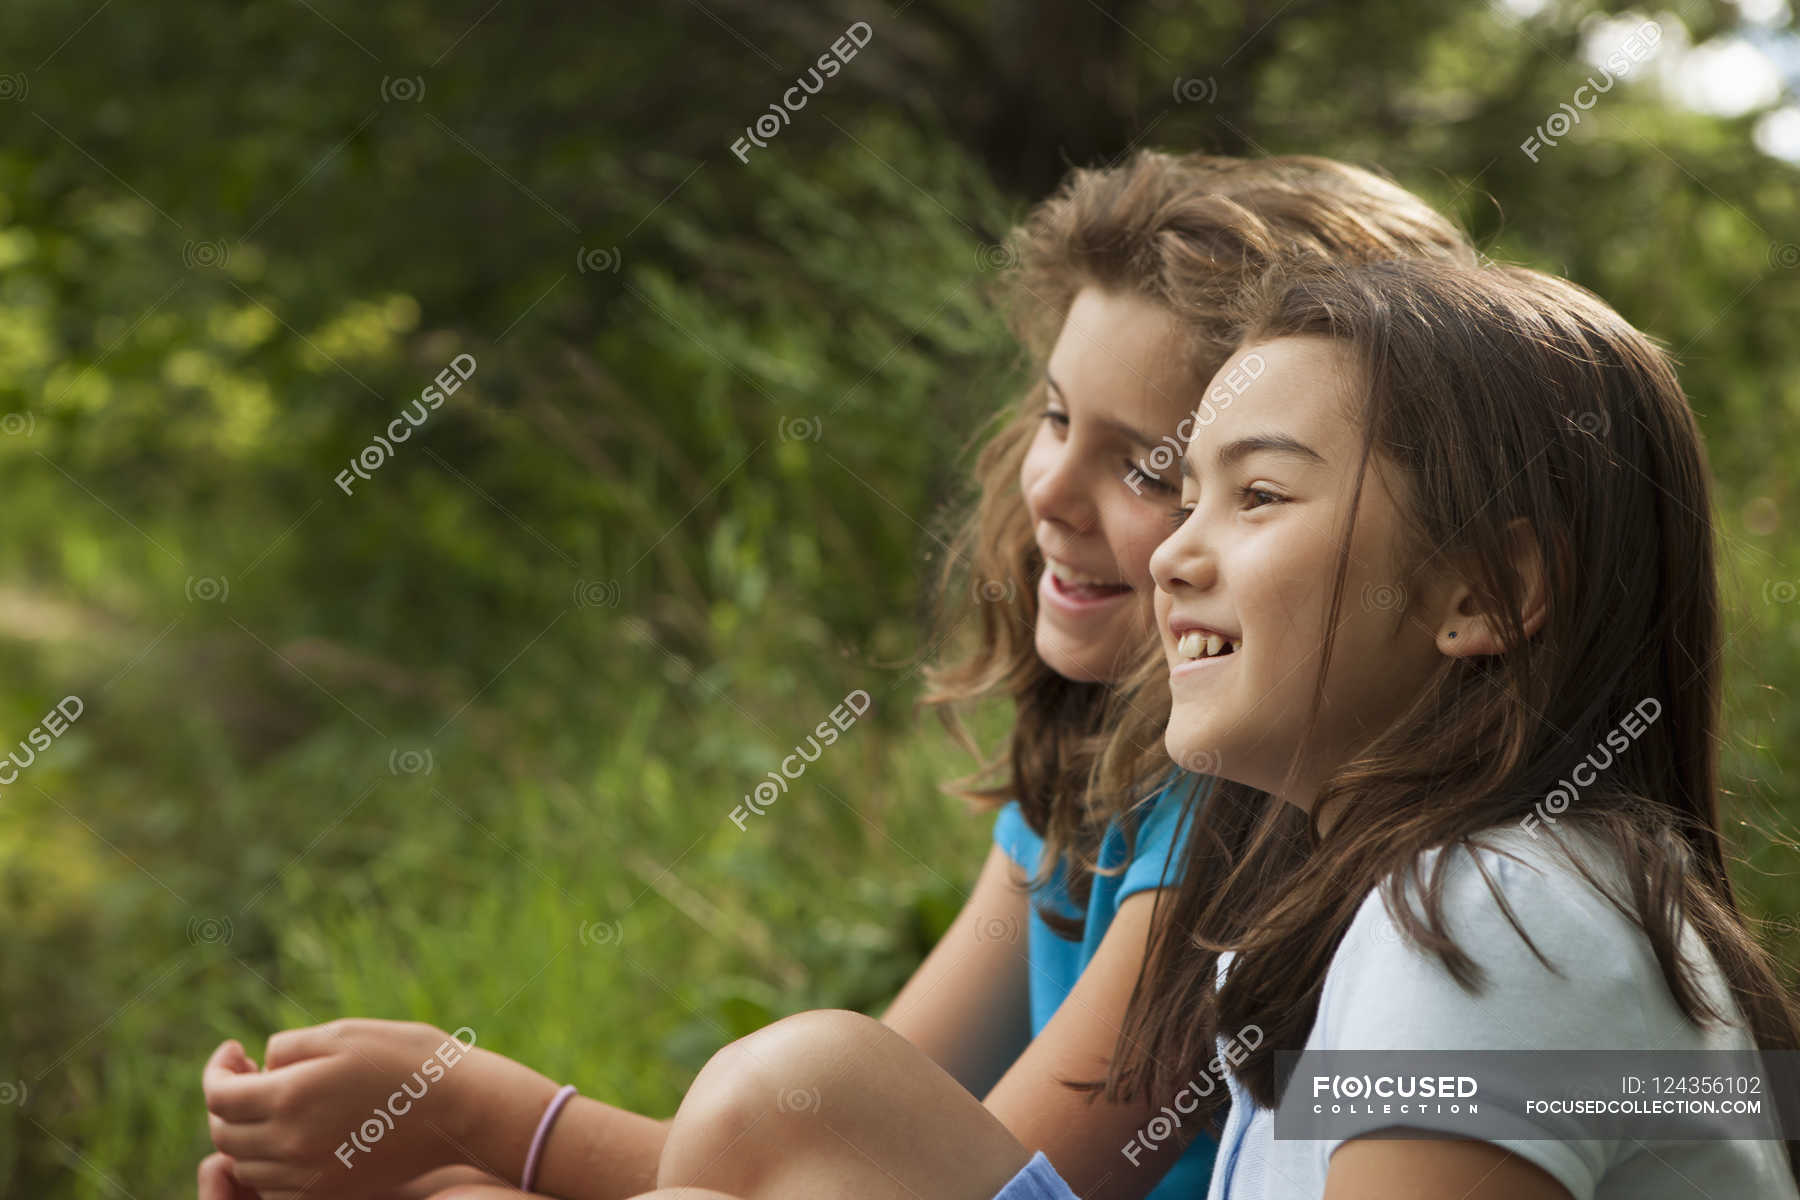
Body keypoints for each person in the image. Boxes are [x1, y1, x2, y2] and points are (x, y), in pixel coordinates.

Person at [198, 153, 1477, 1200]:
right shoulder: (1084, 768)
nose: (1047, 491)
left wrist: (486, 1118)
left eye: (1148, 466)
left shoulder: (1250, 809)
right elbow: (845, 1134)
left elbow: (995, 1180)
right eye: (1050, 418)